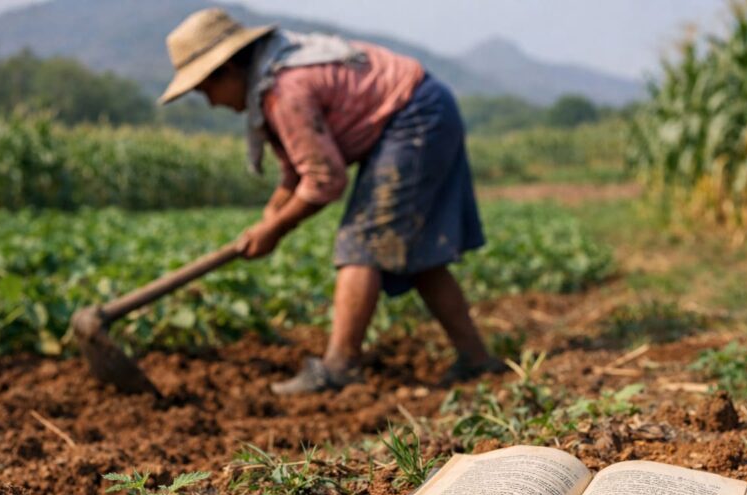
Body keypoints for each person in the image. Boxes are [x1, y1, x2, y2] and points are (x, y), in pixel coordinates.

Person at [160, 8, 503, 394]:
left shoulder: (285, 90)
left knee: (362, 241)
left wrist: (275, 228)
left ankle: (339, 368)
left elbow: (325, 179)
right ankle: (477, 360)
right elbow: (298, 169)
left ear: (229, 70)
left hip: (415, 114)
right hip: (420, 106)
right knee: (417, 254)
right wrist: (270, 217)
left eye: (206, 90)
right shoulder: (274, 78)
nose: (210, 102)